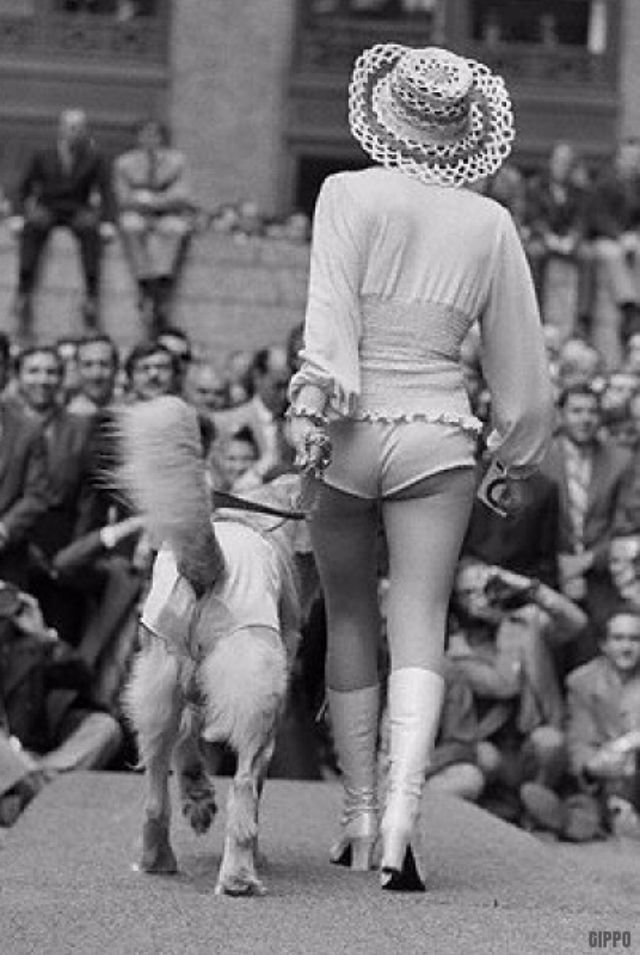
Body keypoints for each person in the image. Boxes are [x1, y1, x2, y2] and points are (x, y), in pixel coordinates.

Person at [286, 45, 554, 891]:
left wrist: (312, 407)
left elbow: (329, 315)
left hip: (352, 426)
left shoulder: (347, 192)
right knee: (422, 619)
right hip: (440, 428)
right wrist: (514, 452)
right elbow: (522, 359)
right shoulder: (490, 222)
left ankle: (360, 813)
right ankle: (403, 821)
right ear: (465, 131)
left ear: (388, 114)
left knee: (349, 613)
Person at [10, 109, 116, 336]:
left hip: (77, 208)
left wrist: (108, 221)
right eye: (70, 127)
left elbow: (107, 190)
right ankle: (23, 292)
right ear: (61, 128)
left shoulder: (95, 157)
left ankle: (91, 296)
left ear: (85, 131)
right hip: (48, 206)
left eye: (79, 128)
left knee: (90, 231)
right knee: (33, 227)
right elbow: (22, 187)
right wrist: (18, 215)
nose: (74, 132)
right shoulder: (42, 154)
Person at [115, 119, 194, 334]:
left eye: (155, 134)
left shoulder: (177, 161)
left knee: (175, 229)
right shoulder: (125, 163)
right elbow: (122, 196)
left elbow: (181, 195)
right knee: (130, 226)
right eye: (145, 134)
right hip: (138, 213)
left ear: (162, 137)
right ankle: (145, 283)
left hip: (167, 213)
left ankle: (161, 283)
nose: (150, 139)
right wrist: (141, 203)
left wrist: (154, 201)